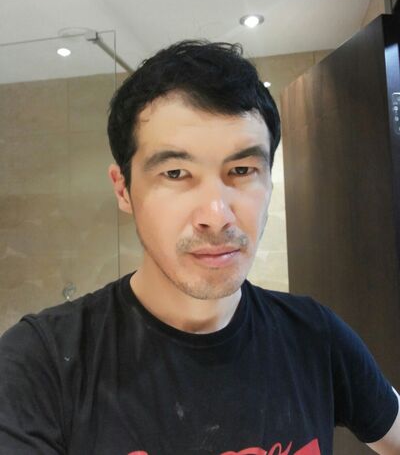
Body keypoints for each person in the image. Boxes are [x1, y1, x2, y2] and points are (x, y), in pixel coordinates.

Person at [0, 40, 399, 455]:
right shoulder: (40, 363)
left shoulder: (316, 338)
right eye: (176, 173)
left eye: (242, 169)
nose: (217, 215)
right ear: (123, 189)